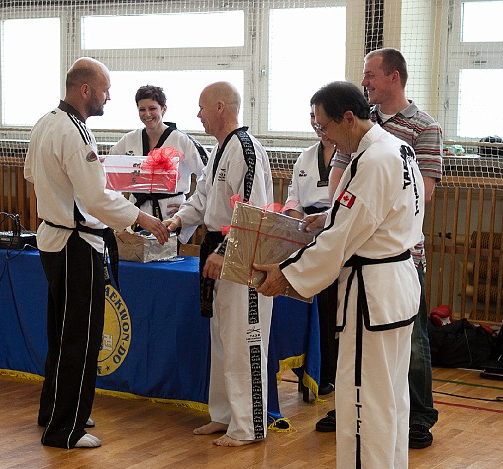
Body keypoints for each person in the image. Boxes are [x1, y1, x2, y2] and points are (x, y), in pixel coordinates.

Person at [255, 81, 424, 469]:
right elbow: (366, 216)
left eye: (324, 125)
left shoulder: (375, 159)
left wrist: (287, 274)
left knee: (363, 397)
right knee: (391, 393)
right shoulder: (393, 148)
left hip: (374, 291)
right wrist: (325, 218)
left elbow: (342, 239)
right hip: (396, 283)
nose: (323, 135)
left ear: (349, 117)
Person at [25, 57, 169, 449]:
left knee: (62, 333)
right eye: (105, 90)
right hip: (75, 244)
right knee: (82, 338)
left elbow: (32, 175)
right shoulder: (73, 131)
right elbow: (95, 197)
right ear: (85, 89)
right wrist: (141, 217)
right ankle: (66, 429)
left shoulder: (46, 122)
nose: (109, 97)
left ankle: (56, 410)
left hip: (53, 239)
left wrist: (64, 198)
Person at [315, 48, 443, 449]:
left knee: (412, 341)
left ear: (394, 76)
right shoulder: (358, 122)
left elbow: (423, 193)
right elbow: (341, 178)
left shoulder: (424, 128)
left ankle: (418, 416)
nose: (365, 81)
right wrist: (338, 217)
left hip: (398, 254)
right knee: (352, 336)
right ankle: (349, 405)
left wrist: (361, 212)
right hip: (355, 247)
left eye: (371, 74)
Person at [163, 81, 274, 447]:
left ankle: (249, 426)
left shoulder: (246, 149)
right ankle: (225, 415)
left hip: (246, 257)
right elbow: (203, 198)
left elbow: (251, 210)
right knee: (224, 336)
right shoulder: (220, 150)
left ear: (221, 107)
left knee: (245, 339)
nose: (198, 115)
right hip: (220, 248)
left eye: (202, 108)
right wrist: (177, 220)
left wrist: (226, 250)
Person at [283, 111, 338, 396]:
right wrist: (299, 223)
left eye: (322, 118)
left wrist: (324, 223)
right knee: (312, 304)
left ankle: (330, 372)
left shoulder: (352, 156)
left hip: (338, 232)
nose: (317, 124)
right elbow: (293, 198)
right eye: (313, 117)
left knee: (333, 309)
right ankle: (313, 371)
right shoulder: (305, 157)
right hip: (307, 234)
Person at [109, 85, 208, 225]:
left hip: (171, 213)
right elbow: (109, 171)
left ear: (163, 109)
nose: (147, 114)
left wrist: (190, 207)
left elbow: (208, 173)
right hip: (138, 213)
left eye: (152, 108)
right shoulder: (129, 139)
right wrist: (121, 206)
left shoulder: (182, 140)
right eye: (142, 109)